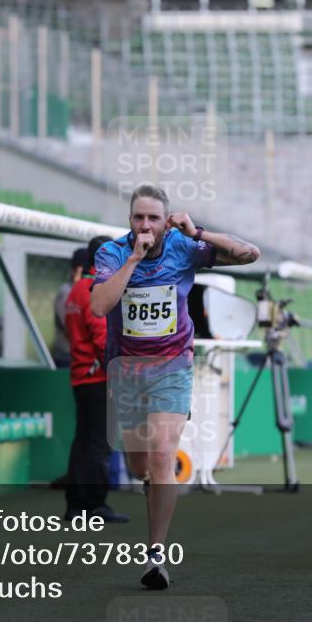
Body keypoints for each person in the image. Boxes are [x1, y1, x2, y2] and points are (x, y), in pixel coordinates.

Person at [90, 184, 260, 589]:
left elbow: (249, 253)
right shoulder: (112, 254)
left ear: (166, 220)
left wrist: (198, 232)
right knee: (139, 466)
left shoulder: (184, 248)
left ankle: (155, 557)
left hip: (172, 366)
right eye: (138, 217)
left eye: (153, 217)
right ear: (129, 220)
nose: (145, 224)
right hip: (127, 370)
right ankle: (151, 486)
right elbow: (99, 306)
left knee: (164, 455)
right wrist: (133, 259)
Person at [63, 236, 128, 524]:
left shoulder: (75, 290)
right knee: (99, 444)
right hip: (98, 376)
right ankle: (94, 505)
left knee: (83, 441)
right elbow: (102, 338)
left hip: (81, 376)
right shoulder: (93, 290)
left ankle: (76, 505)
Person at [51, 248, 88, 368]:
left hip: (77, 354)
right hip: (66, 356)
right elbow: (69, 325)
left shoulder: (82, 290)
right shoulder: (66, 291)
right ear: (78, 268)